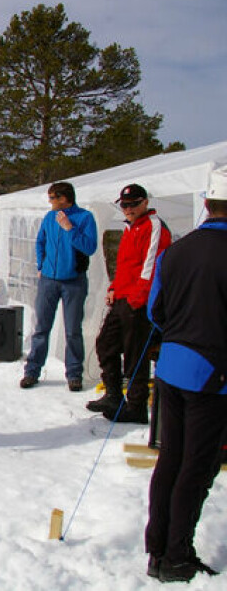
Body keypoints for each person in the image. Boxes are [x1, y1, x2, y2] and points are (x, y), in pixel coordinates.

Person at [143, 167, 227, 583]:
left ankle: (158, 548)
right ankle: (175, 553)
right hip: (212, 373)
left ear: (207, 203)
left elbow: (154, 311)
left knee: (170, 460)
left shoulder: (175, 251)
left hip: (173, 367)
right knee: (196, 465)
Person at [86, 184, 171, 423]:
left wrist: (138, 298)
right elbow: (124, 265)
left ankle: (136, 405)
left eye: (133, 204)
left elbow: (151, 265)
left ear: (145, 202)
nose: (128, 209)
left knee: (135, 355)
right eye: (124, 205)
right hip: (123, 298)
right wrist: (114, 287)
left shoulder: (153, 226)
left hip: (139, 301)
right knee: (106, 345)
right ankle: (114, 394)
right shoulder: (129, 228)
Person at [20, 181, 98, 391]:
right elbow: (40, 242)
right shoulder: (49, 217)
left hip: (74, 281)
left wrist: (69, 229)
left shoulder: (85, 217)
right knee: (41, 328)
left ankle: (74, 375)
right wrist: (40, 264)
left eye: (52, 197)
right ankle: (32, 371)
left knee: (73, 330)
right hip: (48, 280)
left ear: (64, 198)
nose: (49, 201)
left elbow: (90, 247)